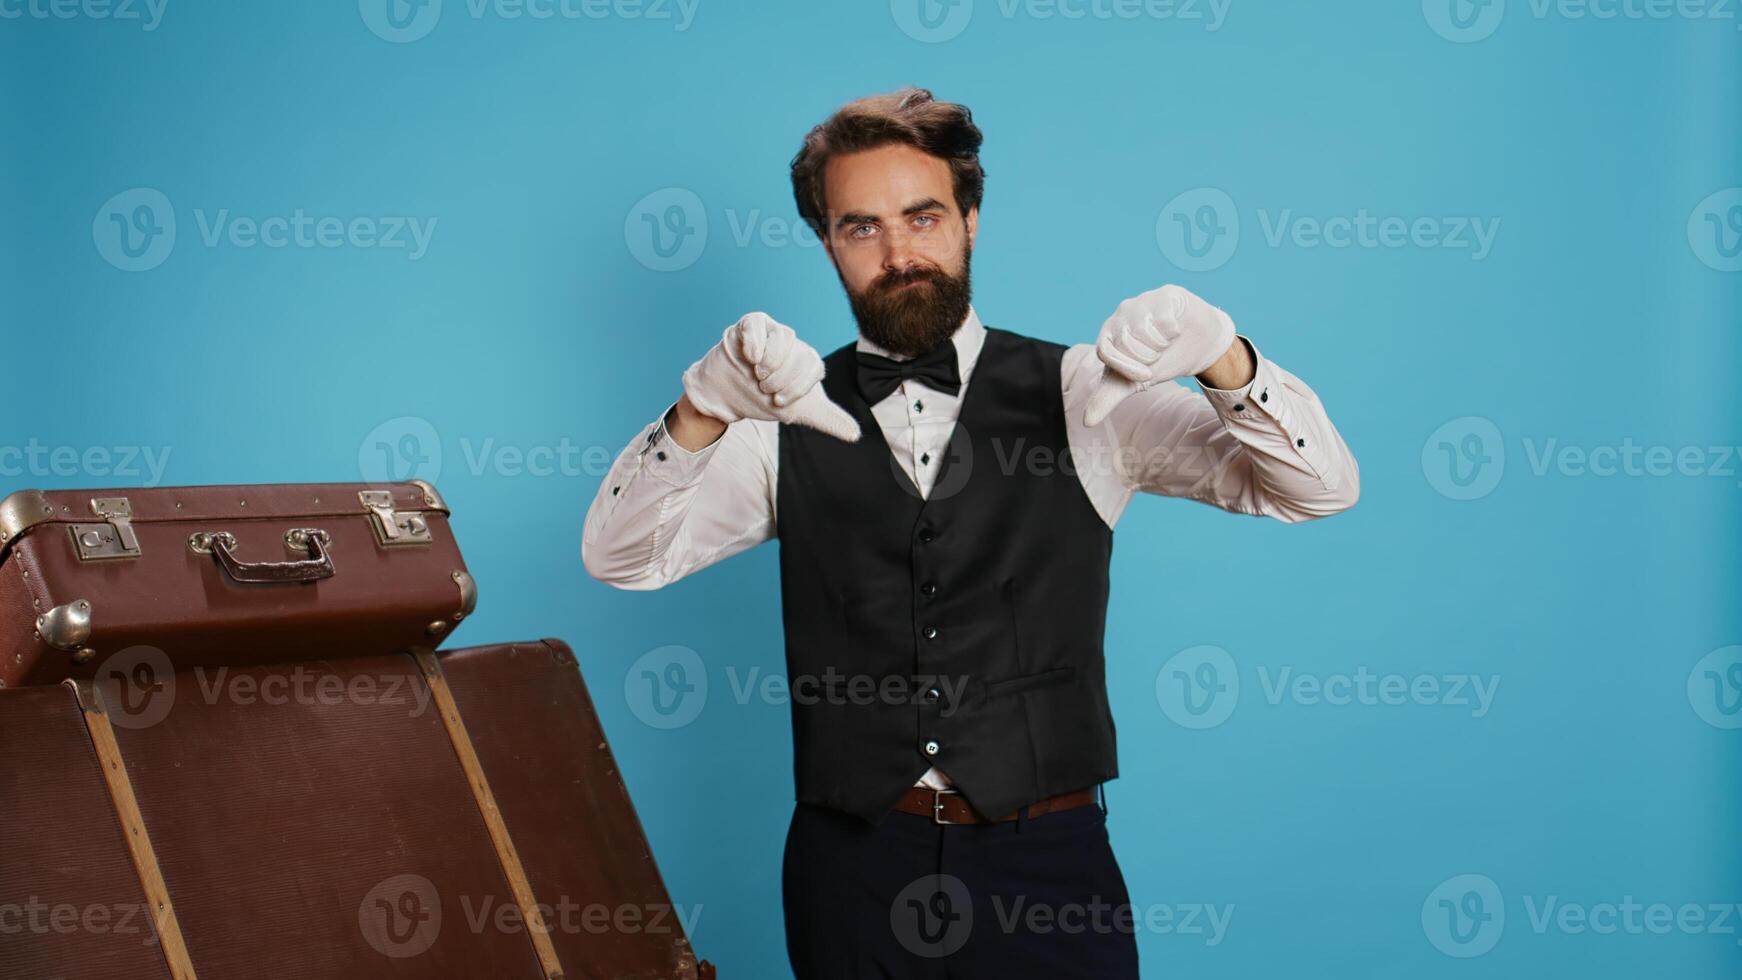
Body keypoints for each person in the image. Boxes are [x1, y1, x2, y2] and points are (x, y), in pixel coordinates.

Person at [583, 85, 1359, 979]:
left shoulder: (1087, 394)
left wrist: (1228, 357)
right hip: (852, 868)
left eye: (923, 216)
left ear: (971, 219)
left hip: (1049, 866)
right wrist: (699, 412)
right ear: (827, 242)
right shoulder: (775, 420)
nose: (900, 251)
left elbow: (1317, 489)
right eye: (861, 227)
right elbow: (618, 558)